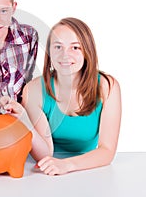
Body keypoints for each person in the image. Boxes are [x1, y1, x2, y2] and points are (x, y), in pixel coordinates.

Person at [21, 17, 122, 175]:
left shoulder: (107, 87)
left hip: (89, 169)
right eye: (58, 47)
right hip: (42, 170)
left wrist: (67, 165)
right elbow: (45, 154)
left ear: (87, 51)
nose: (65, 55)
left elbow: (107, 151)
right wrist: (21, 118)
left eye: (75, 48)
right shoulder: (33, 90)